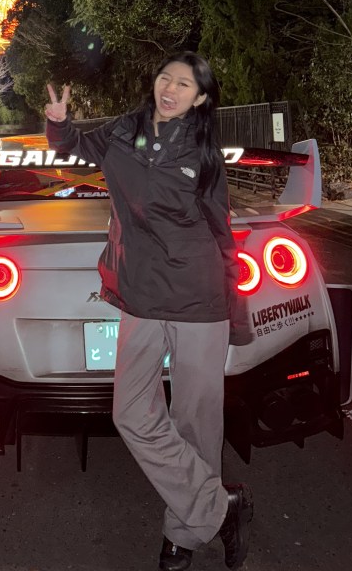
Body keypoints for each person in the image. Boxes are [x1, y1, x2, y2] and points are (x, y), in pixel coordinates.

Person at [45, 52, 254, 571]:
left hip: (197, 297)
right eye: (165, 78)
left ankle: (181, 535)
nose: (170, 89)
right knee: (131, 413)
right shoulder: (124, 130)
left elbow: (221, 229)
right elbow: (74, 147)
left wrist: (234, 303)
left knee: (196, 422)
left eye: (184, 84)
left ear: (200, 99)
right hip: (140, 293)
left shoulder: (204, 154)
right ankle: (220, 508)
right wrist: (59, 124)